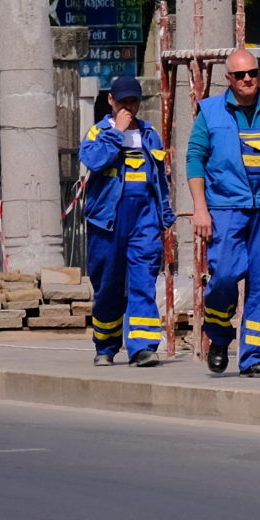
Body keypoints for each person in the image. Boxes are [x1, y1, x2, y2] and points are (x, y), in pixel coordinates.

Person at [186, 50, 260, 378]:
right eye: (240, 75)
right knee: (224, 275)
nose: (248, 79)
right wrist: (200, 208)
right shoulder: (210, 112)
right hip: (226, 207)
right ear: (229, 79)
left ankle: (253, 358)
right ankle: (219, 333)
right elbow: (195, 159)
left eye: (252, 72)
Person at [76, 75, 174, 366]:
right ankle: (105, 346)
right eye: (122, 102)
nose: (128, 107)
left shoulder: (150, 134)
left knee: (143, 280)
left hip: (144, 219)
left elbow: (160, 180)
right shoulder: (99, 132)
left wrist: (165, 215)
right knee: (108, 284)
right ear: (111, 101)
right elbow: (94, 160)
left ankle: (142, 347)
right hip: (108, 221)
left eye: (133, 101)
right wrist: (117, 132)